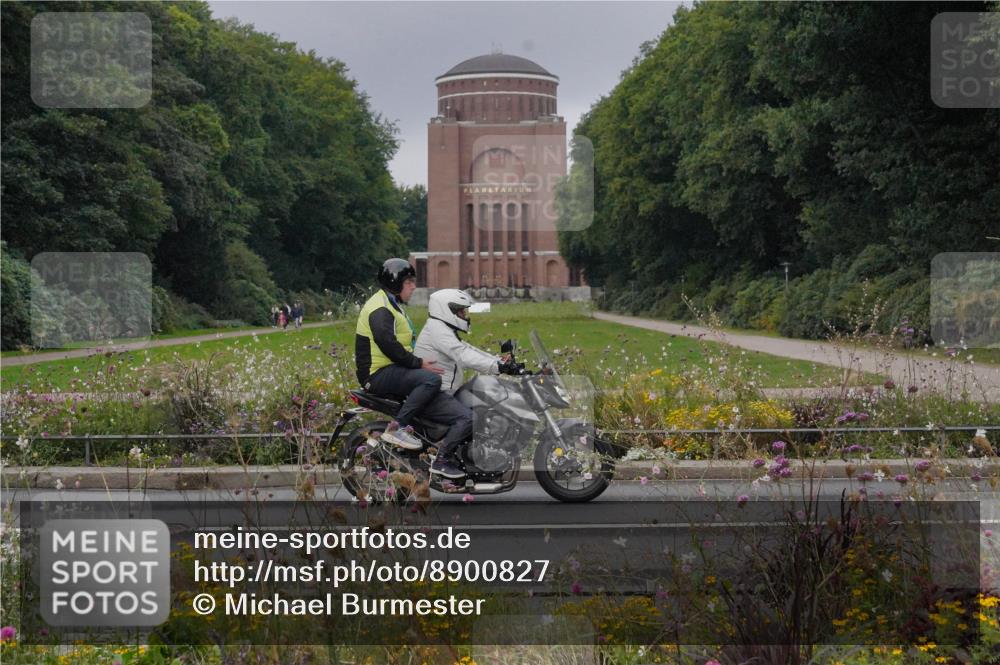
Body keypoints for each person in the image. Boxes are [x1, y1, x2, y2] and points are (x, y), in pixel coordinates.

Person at [414, 289, 510, 477]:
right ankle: (441, 459)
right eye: (460, 311)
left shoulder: (441, 328)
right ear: (446, 310)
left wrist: (498, 361)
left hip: (444, 391)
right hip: (434, 394)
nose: (465, 315)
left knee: (480, 398)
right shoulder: (437, 331)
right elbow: (462, 355)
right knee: (469, 418)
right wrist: (496, 367)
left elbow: (467, 348)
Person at [355, 258, 445, 454]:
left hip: (387, 369)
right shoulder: (380, 309)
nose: (414, 287)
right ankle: (398, 428)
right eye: (409, 282)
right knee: (430, 380)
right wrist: (418, 363)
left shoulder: (389, 303)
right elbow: (387, 344)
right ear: (395, 283)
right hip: (376, 374)